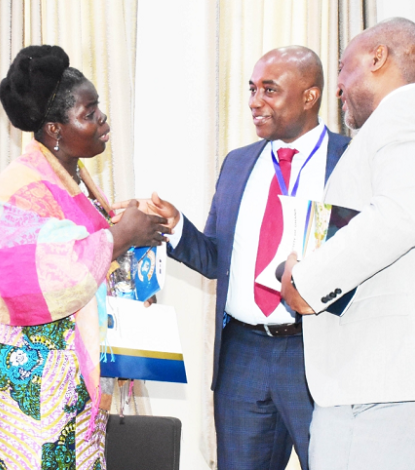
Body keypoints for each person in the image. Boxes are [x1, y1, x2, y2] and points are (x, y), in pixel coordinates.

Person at [116, 46, 350, 470]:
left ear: (310, 96)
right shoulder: (239, 164)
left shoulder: (348, 161)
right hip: (242, 353)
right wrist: (177, 227)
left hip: (316, 351)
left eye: (270, 90)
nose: (254, 102)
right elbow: (217, 259)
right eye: (252, 89)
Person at [280, 18, 415, 470]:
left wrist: (306, 281)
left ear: (377, 58)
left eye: (342, 67)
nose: (336, 85)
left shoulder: (409, 114)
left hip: (387, 381)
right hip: (389, 379)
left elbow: (399, 216)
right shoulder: (413, 121)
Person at [0, 45, 168, 470]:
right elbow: (45, 275)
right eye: (89, 111)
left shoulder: (73, 177)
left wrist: (130, 229)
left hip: (70, 379)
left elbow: (80, 237)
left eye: (99, 108)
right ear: (54, 129)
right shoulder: (19, 187)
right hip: (33, 384)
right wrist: (120, 237)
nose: (102, 120)